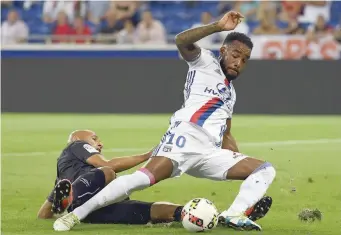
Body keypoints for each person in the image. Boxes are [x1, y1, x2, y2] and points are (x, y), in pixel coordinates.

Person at [53, 11, 276, 231]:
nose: (238, 62)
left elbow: (226, 133)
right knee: (141, 180)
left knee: (264, 170)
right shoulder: (205, 62)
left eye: (244, 59)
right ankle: (74, 215)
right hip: (184, 138)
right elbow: (181, 40)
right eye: (235, 54)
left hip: (209, 152)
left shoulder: (231, 94)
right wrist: (217, 26)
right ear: (223, 50)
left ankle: (234, 214)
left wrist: (237, 163)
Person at [38, 130, 183, 224]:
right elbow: (109, 165)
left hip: (93, 212)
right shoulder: (77, 145)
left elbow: (43, 214)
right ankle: (75, 201)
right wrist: (148, 155)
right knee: (108, 171)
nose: (100, 143)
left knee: (144, 210)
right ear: (77, 139)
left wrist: (62, 215)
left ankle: (184, 213)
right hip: (81, 199)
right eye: (94, 139)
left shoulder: (63, 182)